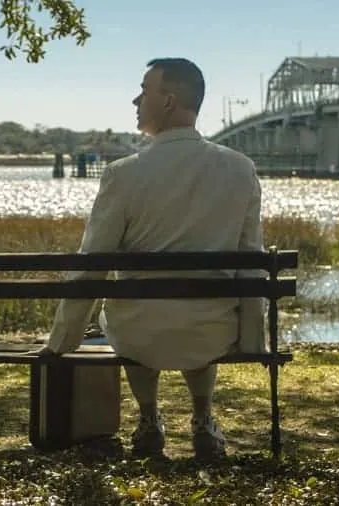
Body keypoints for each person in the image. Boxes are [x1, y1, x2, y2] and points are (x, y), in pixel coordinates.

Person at [32, 57, 266, 460]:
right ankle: (203, 418)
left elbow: (93, 263)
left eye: (145, 90)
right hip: (211, 330)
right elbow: (252, 262)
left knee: (132, 309)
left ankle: (150, 418)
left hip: (138, 331)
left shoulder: (123, 174)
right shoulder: (239, 169)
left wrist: (62, 341)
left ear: (169, 101)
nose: (136, 99)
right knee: (199, 308)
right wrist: (253, 339)